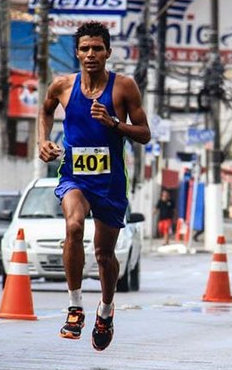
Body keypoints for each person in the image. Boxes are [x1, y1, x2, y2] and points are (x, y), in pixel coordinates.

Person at [38, 21, 151, 351]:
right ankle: (75, 307)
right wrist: (43, 141)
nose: (91, 54)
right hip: (75, 176)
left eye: (97, 48)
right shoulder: (62, 85)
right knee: (73, 227)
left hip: (110, 182)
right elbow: (45, 111)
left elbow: (145, 133)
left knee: (104, 255)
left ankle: (105, 310)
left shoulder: (124, 87)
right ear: (77, 52)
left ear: (108, 52)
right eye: (85, 48)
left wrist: (114, 123)